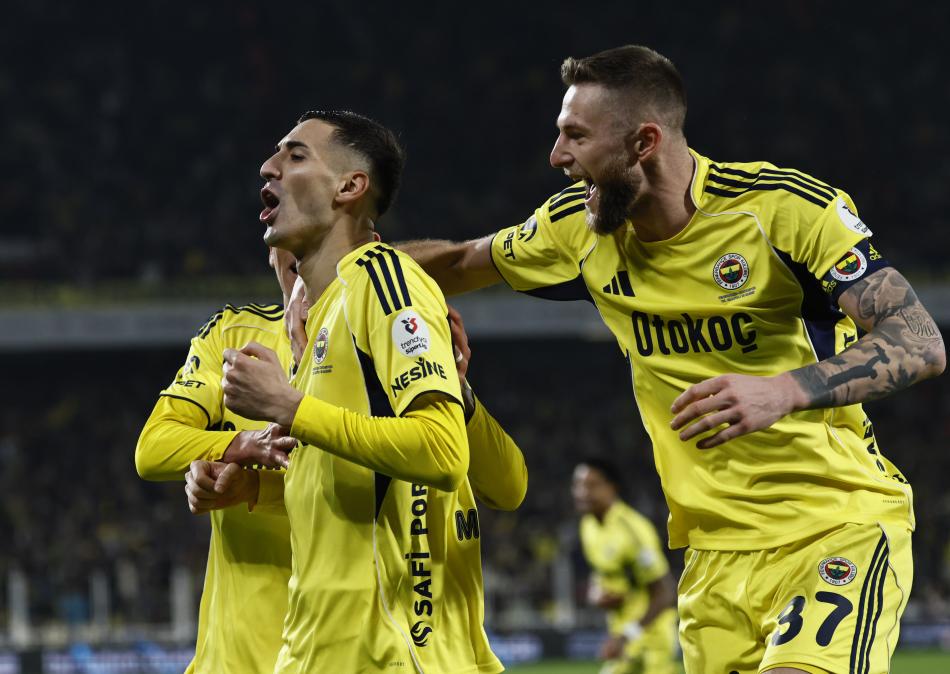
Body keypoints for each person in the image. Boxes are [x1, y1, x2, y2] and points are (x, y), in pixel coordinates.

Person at [398, 45, 946, 674]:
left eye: (576, 135)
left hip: (831, 528)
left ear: (644, 142)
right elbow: (459, 262)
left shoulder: (779, 209)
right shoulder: (576, 230)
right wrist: (343, 274)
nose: (556, 156)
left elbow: (919, 341)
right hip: (711, 559)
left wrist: (783, 390)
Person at [184, 109, 526, 673]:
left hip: (388, 654)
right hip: (316, 652)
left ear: (349, 186)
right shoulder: (320, 329)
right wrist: (252, 487)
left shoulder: (380, 280)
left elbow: (445, 455)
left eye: (296, 155)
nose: (268, 166)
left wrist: (285, 406)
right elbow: (356, 486)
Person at [134, 246, 297, 674]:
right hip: (229, 663)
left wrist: (255, 488)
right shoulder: (234, 335)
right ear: (272, 251)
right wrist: (235, 445)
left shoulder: (371, 347)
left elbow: (383, 481)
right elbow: (153, 447)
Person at [572, 458, 678, 674]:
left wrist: (628, 635)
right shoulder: (588, 526)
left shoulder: (632, 529)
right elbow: (601, 572)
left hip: (651, 639)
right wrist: (595, 593)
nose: (582, 492)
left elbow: (665, 593)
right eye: (578, 485)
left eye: (591, 485)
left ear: (612, 487)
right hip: (623, 637)